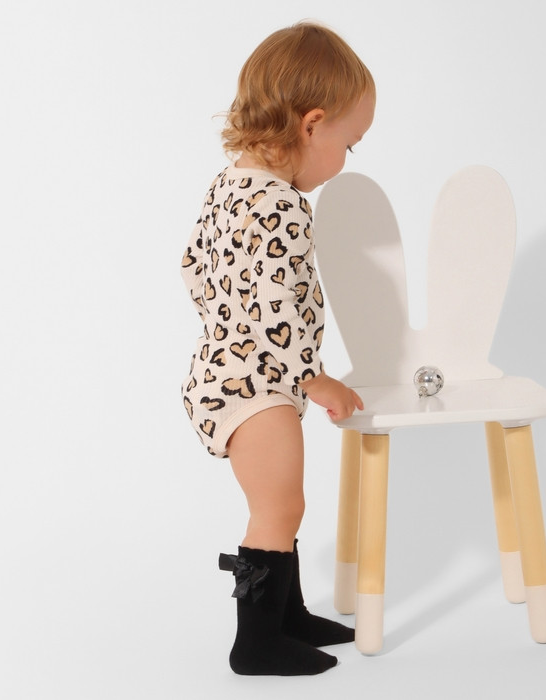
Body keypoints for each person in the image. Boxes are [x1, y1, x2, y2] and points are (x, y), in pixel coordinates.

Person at [180, 22, 375, 675]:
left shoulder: (229, 183)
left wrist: (223, 327)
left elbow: (192, 267)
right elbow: (273, 313)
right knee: (278, 507)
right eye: (350, 143)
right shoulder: (281, 205)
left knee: (284, 504)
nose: (347, 157)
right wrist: (316, 379)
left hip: (227, 373)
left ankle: (287, 617)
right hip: (253, 385)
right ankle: (256, 643)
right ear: (313, 125)